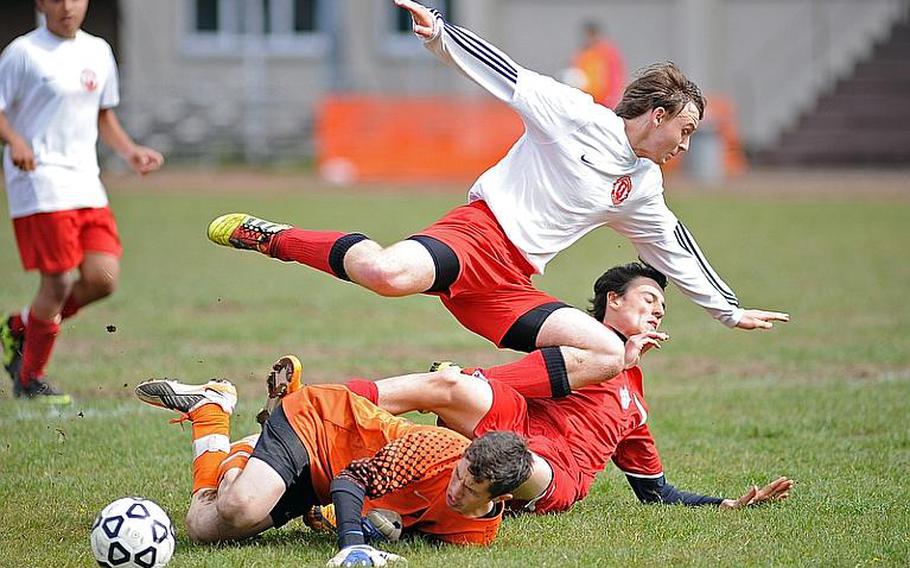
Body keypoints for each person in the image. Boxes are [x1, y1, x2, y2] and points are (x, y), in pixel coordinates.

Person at [206, 0, 788, 402]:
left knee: (609, 351)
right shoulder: (576, 116)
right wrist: (438, 32)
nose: (685, 144)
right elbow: (506, 75)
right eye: (683, 131)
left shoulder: (641, 185)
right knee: (384, 273)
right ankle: (272, 237)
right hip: (477, 236)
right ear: (657, 116)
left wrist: (729, 311)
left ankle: (459, 392)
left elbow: (672, 248)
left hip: (512, 285)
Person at [339, 262, 793, 514]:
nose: (658, 312)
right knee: (446, 384)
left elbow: (656, 492)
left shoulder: (634, 404)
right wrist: (460, 383)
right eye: (649, 299)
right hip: (513, 426)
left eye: (663, 309)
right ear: (613, 300)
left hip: (553, 474)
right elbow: (506, 382)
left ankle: (386, 508)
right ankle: (323, 404)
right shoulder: (576, 349)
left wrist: (725, 503)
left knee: (500, 461)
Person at [134, 362, 533, 567]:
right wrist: (353, 546)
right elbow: (351, 479)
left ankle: (210, 412)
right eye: (460, 474)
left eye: (468, 490)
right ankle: (257, 446)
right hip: (320, 421)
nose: (456, 487)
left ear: (500, 497)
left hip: (321, 482)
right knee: (240, 508)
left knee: (204, 529)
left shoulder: (475, 535)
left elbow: (405, 525)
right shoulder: (437, 448)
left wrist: (353, 522)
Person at [0, 0, 163, 402]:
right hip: (39, 179)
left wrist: (129, 152)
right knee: (56, 281)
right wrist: (16, 140)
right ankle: (29, 378)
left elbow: (102, 116)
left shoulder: (98, 51)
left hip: (85, 181)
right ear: (41, 3)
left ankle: (21, 327)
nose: (66, 7)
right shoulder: (23, 53)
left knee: (102, 278)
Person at [570, 21, 626, 108]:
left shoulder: (607, 52)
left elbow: (615, 76)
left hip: (604, 101)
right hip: (586, 100)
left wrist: (612, 97)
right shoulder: (582, 53)